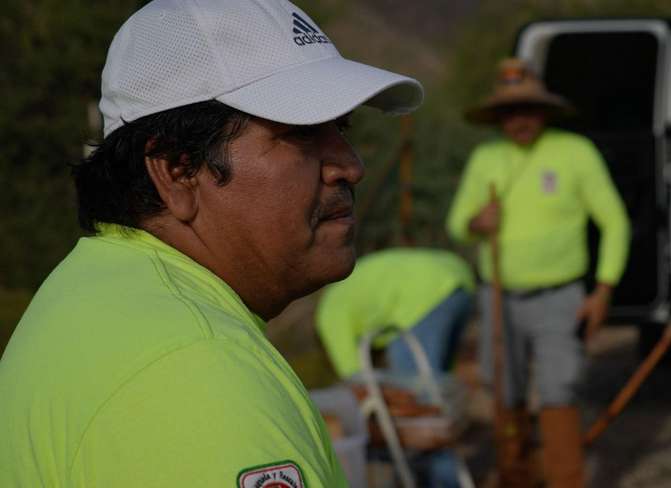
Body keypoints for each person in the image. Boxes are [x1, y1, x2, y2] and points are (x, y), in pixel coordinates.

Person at [0, 0, 422, 486]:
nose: (351, 165)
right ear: (178, 171)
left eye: (340, 129)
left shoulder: (99, 291)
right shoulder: (193, 371)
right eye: (302, 133)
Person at [446, 58, 630, 488]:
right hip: (498, 296)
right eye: (510, 112)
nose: (520, 119)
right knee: (502, 387)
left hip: (560, 296)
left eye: (527, 108)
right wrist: (477, 222)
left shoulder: (575, 152)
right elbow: (456, 223)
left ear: (544, 110)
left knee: (559, 387)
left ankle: (566, 478)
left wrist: (603, 290)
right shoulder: (485, 157)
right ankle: (517, 473)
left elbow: (615, 221)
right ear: (498, 117)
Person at [316, 247, 474, 488]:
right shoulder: (348, 296)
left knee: (421, 414)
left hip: (424, 295)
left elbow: (357, 381)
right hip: (459, 280)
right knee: (433, 394)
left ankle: (444, 481)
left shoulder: (328, 314)